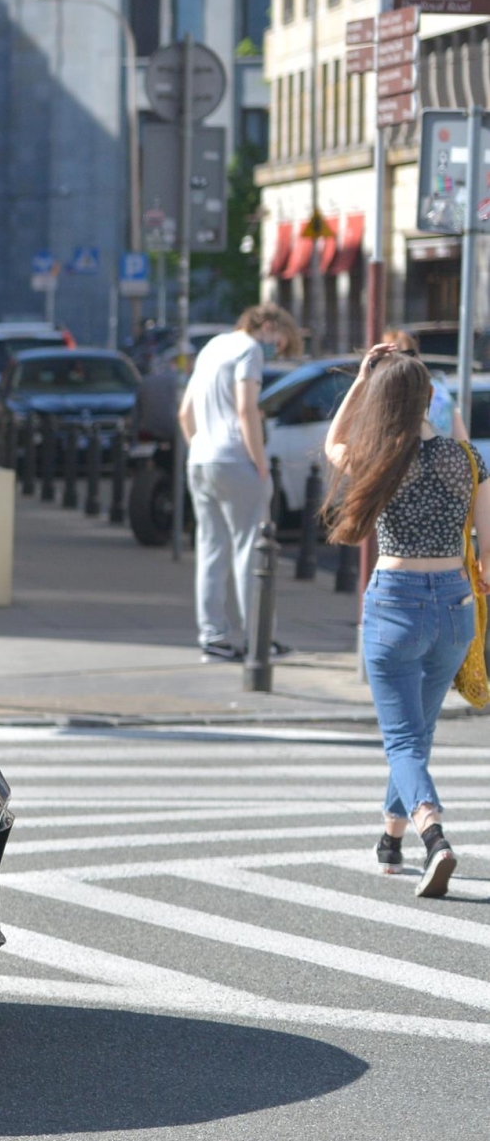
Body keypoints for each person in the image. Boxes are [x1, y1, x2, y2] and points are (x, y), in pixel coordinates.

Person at [324, 343, 490, 897]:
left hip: (396, 602)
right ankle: (390, 838)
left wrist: (362, 379)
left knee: (400, 738)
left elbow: (332, 443)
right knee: (418, 732)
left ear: (382, 399)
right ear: (428, 399)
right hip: (455, 603)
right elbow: (487, 549)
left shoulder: (377, 457)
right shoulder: (466, 460)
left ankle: (432, 835)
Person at [181, 303, 300, 660]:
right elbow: (247, 409)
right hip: (236, 458)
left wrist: (200, 447)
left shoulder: (212, 347)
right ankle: (258, 638)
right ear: (266, 325)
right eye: (277, 341)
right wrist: (260, 464)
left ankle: (213, 638)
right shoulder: (248, 349)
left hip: (201, 458)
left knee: (211, 550)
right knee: (252, 552)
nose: (274, 349)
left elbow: (184, 412)